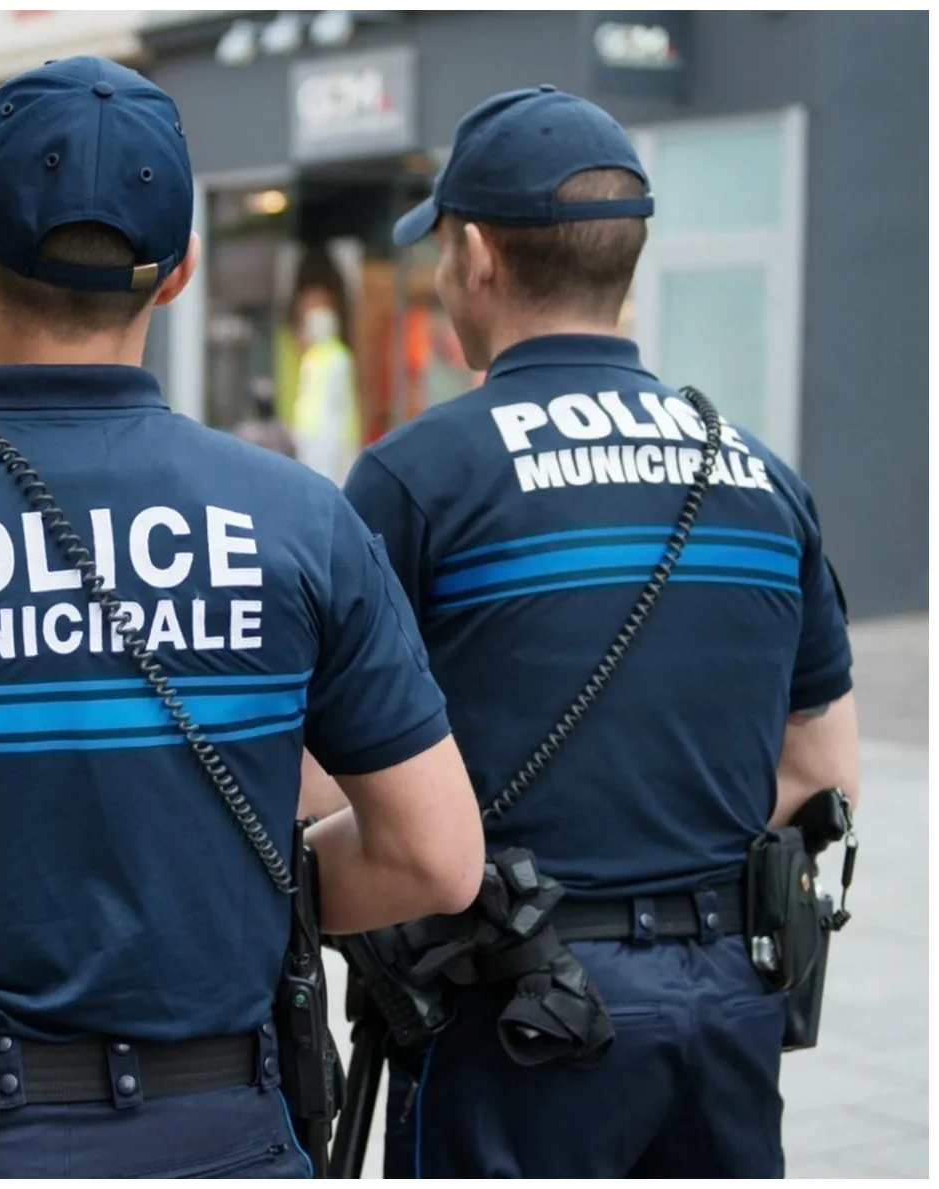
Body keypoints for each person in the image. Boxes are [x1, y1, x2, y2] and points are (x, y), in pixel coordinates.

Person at [0, 57, 485, 1180]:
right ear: (175, 273)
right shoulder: (300, 524)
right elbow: (435, 857)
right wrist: (225, 885)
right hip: (220, 1136)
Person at [302, 86, 859, 1178]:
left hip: (511, 1016)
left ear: (473, 255)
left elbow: (323, 783)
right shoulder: (754, 473)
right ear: (626, 259)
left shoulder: (418, 477)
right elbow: (818, 767)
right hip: (725, 1010)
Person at [290, 279, 360, 486]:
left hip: (331, 432)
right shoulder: (311, 356)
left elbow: (343, 400)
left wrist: (347, 437)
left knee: (328, 479)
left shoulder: (339, 357)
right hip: (308, 432)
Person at [230, 380, 297, 459]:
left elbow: (292, 452)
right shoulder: (245, 431)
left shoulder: (280, 429)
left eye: (267, 400)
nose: (264, 406)